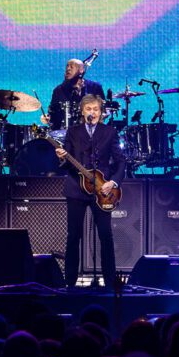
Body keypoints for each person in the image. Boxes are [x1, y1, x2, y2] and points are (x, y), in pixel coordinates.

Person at [54, 94, 123, 290]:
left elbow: (121, 161)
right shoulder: (73, 132)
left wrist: (113, 182)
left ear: (101, 112)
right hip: (76, 188)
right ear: (82, 111)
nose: (92, 112)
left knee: (105, 234)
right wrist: (62, 157)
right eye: (88, 109)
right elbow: (66, 164)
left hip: (102, 190)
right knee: (73, 235)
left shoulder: (109, 132)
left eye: (95, 109)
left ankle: (110, 282)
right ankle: (70, 282)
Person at [45, 58, 104, 130]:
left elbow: (104, 109)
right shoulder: (58, 90)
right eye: (67, 66)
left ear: (81, 70)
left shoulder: (95, 87)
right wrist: (48, 118)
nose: (68, 69)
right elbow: (53, 113)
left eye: (72, 67)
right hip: (65, 134)